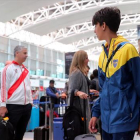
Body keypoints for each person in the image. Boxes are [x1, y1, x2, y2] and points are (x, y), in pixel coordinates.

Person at [89, 7, 140, 140]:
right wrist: (95, 113)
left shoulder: (128, 50)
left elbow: (139, 86)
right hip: (106, 123)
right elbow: (104, 90)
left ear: (103, 25)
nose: (95, 30)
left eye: (96, 26)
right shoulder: (102, 56)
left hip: (124, 121)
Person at [0, 45, 33, 140]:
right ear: (17, 53)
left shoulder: (26, 70)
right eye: (25, 53)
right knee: (8, 133)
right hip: (13, 106)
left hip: (26, 107)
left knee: (20, 133)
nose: (27, 55)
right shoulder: (7, 69)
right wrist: (2, 105)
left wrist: (30, 102)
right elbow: (3, 88)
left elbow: (28, 87)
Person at [68, 50, 91, 133]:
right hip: (79, 109)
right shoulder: (76, 73)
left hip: (82, 107)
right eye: (86, 58)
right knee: (81, 131)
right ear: (81, 59)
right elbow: (71, 90)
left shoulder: (81, 72)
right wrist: (78, 93)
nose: (88, 60)